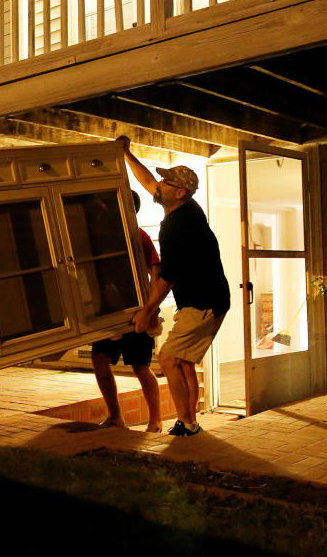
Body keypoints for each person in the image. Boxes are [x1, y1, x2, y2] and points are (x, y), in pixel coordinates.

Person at [117, 136, 230, 436]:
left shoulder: (178, 227)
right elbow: (149, 182)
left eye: (165, 183)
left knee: (168, 358)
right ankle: (190, 421)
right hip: (207, 299)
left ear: (179, 192)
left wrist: (147, 311)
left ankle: (186, 423)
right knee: (185, 362)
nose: (159, 186)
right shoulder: (185, 209)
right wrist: (127, 155)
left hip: (204, 303)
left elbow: (168, 277)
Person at [90, 191, 164, 433]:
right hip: (105, 312)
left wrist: (151, 308)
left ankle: (156, 421)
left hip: (135, 311)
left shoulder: (139, 236)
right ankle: (115, 416)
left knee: (141, 366)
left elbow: (156, 272)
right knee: (99, 360)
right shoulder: (98, 238)